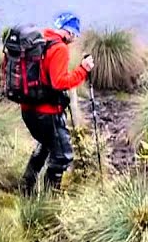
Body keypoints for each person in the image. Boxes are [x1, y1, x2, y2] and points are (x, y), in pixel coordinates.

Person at [17, 11, 95, 194]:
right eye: (75, 34)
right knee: (62, 156)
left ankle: (26, 187)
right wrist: (83, 70)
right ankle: (49, 201)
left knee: (46, 145)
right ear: (69, 32)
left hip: (28, 109)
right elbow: (58, 82)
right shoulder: (59, 48)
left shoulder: (41, 39)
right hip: (46, 113)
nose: (74, 39)